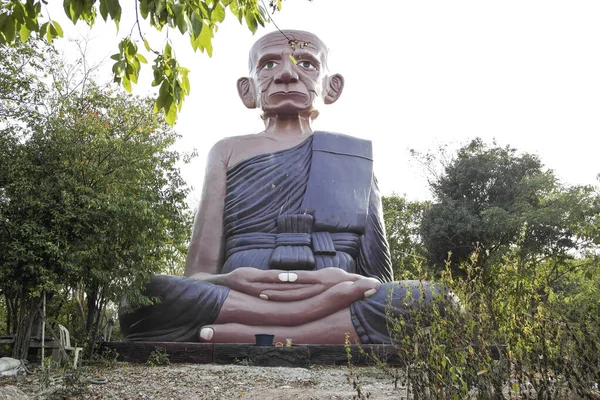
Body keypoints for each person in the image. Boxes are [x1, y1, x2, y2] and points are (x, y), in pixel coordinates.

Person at [119, 30, 447, 344]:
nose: (287, 74)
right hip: (246, 292)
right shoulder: (227, 151)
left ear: (332, 87)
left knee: (437, 301)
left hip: (333, 291)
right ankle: (323, 332)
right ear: (247, 89)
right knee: (146, 296)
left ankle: (261, 335)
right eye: (268, 64)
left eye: (306, 63)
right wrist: (228, 280)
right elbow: (199, 276)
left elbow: (376, 281)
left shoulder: (352, 156)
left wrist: (342, 282)